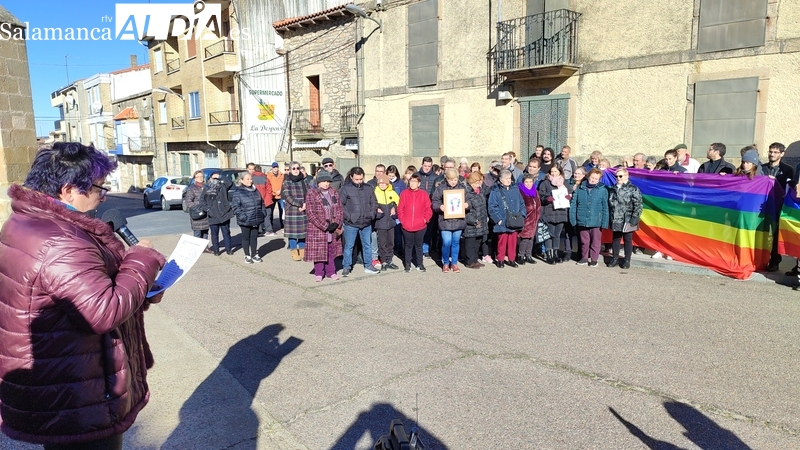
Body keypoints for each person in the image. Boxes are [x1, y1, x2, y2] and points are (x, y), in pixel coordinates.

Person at [0, 142, 166, 449]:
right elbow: (102, 311)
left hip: (60, 379)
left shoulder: (26, 221)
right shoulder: (61, 240)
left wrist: (140, 291)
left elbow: (76, 293)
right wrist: (141, 259)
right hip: (78, 393)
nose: (103, 196)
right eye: (98, 188)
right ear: (67, 191)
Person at [304, 170, 344, 281]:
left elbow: (340, 209)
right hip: (318, 229)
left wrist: (337, 222)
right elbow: (311, 213)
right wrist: (325, 226)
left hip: (332, 226)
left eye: (328, 181)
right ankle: (319, 272)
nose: (326, 183)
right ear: (318, 182)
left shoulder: (334, 192)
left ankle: (331, 271)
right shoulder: (312, 193)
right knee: (319, 252)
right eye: (323, 181)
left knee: (331, 250)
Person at [340, 167, 379, 276]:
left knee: (367, 245)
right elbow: (340, 205)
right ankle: (346, 266)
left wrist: (371, 215)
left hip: (366, 222)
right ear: (351, 177)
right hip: (351, 224)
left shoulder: (368, 188)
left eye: (361, 179)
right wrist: (349, 217)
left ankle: (368, 265)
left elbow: (374, 203)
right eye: (357, 179)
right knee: (349, 246)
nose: (359, 181)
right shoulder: (345, 189)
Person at [762, 142, 794, 272]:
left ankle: (774, 261)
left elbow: (789, 189)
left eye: (775, 152)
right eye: (770, 151)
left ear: (782, 154)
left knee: (775, 234)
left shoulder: (788, 170)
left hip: (778, 207)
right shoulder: (761, 168)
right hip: (761, 206)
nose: (772, 154)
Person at [569, 168, 609, 267]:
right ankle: (584, 258)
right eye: (592, 177)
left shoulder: (603, 190)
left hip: (596, 221)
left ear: (599, 179)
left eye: (596, 178)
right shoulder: (580, 188)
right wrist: (573, 219)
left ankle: (594, 259)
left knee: (595, 242)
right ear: (588, 176)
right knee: (584, 241)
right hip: (582, 220)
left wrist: (604, 222)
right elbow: (573, 204)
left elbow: (605, 207)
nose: (593, 180)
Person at [432, 168, 468, 272]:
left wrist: (467, 204)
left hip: (458, 220)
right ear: (447, 179)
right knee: (446, 242)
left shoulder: (463, 188)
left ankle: (454, 263)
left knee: (456, 242)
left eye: (455, 179)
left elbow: (470, 200)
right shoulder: (440, 188)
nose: (453, 182)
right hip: (445, 221)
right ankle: (446, 263)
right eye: (451, 179)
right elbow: (435, 202)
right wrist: (440, 207)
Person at [488, 169, 526, 268]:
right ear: (500, 179)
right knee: (502, 241)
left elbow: (522, 203)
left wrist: (522, 214)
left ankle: (512, 259)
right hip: (503, 220)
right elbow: (492, 207)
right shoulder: (495, 190)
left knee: (513, 241)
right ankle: (500, 259)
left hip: (515, 219)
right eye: (506, 178)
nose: (508, 180)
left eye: (509, 178)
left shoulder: (515, 189)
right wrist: (498, 220)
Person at [607, 168, 643, 269]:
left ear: (627, 176)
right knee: (616, 239)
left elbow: (638, 204)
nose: (618, 178)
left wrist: (634, 218)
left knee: (628, 239)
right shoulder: (613, 189)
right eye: (617, 176)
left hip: (627, 218)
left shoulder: (633, 188)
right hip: (615, 218)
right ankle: (615, 258)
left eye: (620, 176)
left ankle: (627, 260)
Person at [397, 173, 433, 272]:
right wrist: (403, 220)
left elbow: (428, 209)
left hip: (420, 225)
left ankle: (420, 263)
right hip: (407, 225)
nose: (412, 183)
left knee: (418, 245)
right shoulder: (404, 193)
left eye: (415, 181)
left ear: (419, 183)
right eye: (411, 181)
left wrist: (425, 219)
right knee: (408, 246)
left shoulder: (424, 194)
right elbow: (400, 208)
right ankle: (407, 264)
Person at [538, 165, 571, 264]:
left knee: (557, 234)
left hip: (561, 212)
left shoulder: (564, 183)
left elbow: (569, 192)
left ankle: (555, 254)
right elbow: (540, 195)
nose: (553, 173)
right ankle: (549, 254)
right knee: (549, 234)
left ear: (560, 172)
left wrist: (569, 196)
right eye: (552, 171)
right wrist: (547, 199)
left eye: (555, 171)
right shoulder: (545, 183)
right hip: (549, 212)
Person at [232, 172, 266, 264]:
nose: (250, 181)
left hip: (256, 218)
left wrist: (263, 213)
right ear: (242, 180)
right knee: (246, 237)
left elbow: (262, 203)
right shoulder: (238, 192)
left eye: (251, 179)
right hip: (245, 220)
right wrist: (243, 217)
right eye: (247, 179)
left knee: (254, 237)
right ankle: (247, 255)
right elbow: (235, 207)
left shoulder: (255, 190)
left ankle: (254, 254)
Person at [282, 162, 311, 261]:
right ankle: (294, 251)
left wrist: (306, 204)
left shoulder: (305, 180)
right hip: (292, 210)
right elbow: (287, 196)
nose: (296, 170)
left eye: (297, 168)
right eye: (293, 168)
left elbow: (309, 193)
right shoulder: (287, 182)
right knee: (293, 234)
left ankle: (302, 251)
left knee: (303, 233)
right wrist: (299, 204)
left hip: (304, 209)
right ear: (290, 170)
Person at [202, 170, 235, 256]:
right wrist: (208, 210)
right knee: (214, 234)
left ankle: (229, 249)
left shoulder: (223, 186)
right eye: (213, 178)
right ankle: (216, 250)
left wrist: (220, 177)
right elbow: (202, 201)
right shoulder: (207, 188)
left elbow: (230, 183)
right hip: (213, 214)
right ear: (209, 179)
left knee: (226, 232)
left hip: (224, 213)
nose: (215, 180)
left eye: (216, 178)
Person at [374, 174, 400, 270]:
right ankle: (384, 261)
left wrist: (395, 209)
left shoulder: (392, 193)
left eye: (384, 183)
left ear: (387, 184)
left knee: (391, 242)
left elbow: (399, 204)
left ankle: (389, 260)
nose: (382, 185)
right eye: (380, 183)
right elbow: (371, 205)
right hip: (381, 222)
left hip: (391, 222)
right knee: (382, 243)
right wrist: (376, 209)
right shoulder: (375, 193)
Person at [463, 172, 489, 269]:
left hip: (481, 221)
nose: (478, 185)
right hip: (471, 223)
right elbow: (466, 211)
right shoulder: (466, 192)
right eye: (476, 183)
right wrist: (473, 220)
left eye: (479, 182)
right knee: (470, 243)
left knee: (478, 242)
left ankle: (475, 259)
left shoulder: (480, 191)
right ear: (471, 182)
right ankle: (470, 262)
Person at [185, 169, 212, 253]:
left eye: (201, 176)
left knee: (205, 231)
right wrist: (197, 207)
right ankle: (196, 249)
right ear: (195, 178)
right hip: (197, 213)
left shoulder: (207, 187)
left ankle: (205, 248)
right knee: (197, 232)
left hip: (206, 213)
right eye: (198, 177)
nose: (200, 178)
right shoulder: (191, 189)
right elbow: (188, 202)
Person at [518, 173, 542, 265]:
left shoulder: (535, 191)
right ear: (523, 183)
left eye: (530, 182)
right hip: (526, 218)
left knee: (531, 238)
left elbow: (538, 203)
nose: (528, 184)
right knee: (524, 238)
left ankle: (528, 255)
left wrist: (538, 214)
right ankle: (521, 255)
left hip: (534, 218)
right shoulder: (521, 192)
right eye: (526, 182)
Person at [248, 163, 275, 236]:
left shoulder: (251, 178)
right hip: (266, 200)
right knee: (267, 216)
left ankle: (259, 231)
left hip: (256, 200)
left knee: (258, 215)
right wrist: (268, 199)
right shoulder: (265, 178)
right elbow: (269, 190)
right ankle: (269, 230)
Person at [266, 162, 285, 231]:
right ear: (272, 168)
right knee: (270, 211)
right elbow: (268, 185)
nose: (275, 169)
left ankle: (282, 225)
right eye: (274, 167)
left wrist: (280, 190)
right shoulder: (268, 175)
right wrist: (273, 192)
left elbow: (284, 184)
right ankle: (270, 225)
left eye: (276, 167)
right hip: (272, 196)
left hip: (280, 195)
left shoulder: (282, 175)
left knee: (282, 210)